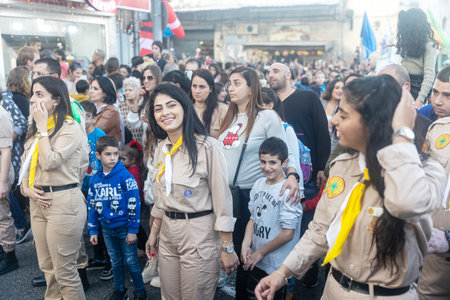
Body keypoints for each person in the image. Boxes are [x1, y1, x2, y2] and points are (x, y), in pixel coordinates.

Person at [254, 75, 446, 300]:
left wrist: (402, 132)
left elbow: (405, 202)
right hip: (333, 290)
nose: (333, 121)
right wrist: (283, 272)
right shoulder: (342, 166)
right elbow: (320, 231)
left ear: (372, 122)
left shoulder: (425, 171)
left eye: (343, 115)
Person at [145, 83, 239, 299]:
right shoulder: (162, 147)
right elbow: (161, 197)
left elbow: (223, 201)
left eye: (171, 105)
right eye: (158, 109)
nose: (165, 112)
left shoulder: (208, 147)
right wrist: (154, 231)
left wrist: (227, 247)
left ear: (184, 107)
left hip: (199, 234)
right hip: (168, 233)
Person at [217, 67, 300, 299]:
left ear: (252, 87)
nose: (230, 88)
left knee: (248, 249)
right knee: (231, 245)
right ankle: (236, 284)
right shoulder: (230, 116)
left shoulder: (266, 116)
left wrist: (293, 176)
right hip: (227, 193)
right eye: (229, 84)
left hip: (251, 196)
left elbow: (287, 152)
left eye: (236, 83)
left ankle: (249, 291)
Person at [20, 76, 88, 299]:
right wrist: (25, 188)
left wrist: (41, 127)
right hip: (37, 201)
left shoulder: (70, 128)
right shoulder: (37, 127)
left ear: (57, 100)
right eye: (32, 94)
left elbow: (49, 162)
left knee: (65, 272)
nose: (32, 100)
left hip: (62, 202)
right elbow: (26, 163)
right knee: (48, 270)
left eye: (40, 95)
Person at [268, 62, 330, 287]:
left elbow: (322, 131)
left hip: (307, 177)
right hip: (275, 178)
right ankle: (283, 275)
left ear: (288, 74)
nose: (270, 75)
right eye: (268, 72)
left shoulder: (308, 98)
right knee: (281, 228)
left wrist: (322, 166)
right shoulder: (268, 103)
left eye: (275, 71)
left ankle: (309, 271)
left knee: (305, 228)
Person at [241, 137, 302, 300]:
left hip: (276, 267)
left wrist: (260, 252)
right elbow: (252, 219)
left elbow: (288, 233)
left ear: (284, 163)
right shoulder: (258, 184)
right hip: (257, 261)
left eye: (273, 163)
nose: (267, 167)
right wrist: (246, 244)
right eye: (263, 162)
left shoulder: (288, 191)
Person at [88, 136, 146, 300]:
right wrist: (93, 229)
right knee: (115, 261)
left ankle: (140, 292)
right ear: (98, 155)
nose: (113, 158)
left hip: (125, 228)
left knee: (131, 262)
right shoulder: (94, 179)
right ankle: (119, 291)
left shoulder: (126, 177)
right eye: (108, 154)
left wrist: (133, 230)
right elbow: (92, 206)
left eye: (115, 154)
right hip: (106, 229)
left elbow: (134, 204)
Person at [416, 66, 450, 300]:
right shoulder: (436, 129)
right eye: (435, 92)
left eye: (447, 96)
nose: (438, 101)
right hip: (434, 249)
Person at [397, 8, 438, 108]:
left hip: (417, 88)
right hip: (404, 85)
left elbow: (429, 75)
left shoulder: (429, 45)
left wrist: (420, 98)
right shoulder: (408, 44)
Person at [0, 104, 18, 276]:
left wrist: (2, 181)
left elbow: (6, 151)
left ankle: (9, 256)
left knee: (2, 216)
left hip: (1, 172)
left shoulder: (1, 114)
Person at [190, 69, 228, 137]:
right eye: (194, 86)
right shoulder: (185, 109)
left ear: (210, 88)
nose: (197, 91)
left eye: (202, 87)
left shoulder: (222, 110)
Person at [90, 77, 122, 146]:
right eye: (91, 87)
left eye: (95, 89)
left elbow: (95, 132)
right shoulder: (93, 107)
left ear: (105, 93)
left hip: (107, 151)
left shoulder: (111, 110)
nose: (91, 91)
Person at [122, 77, 144, 143]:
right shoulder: (120, 107)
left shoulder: (141, 106)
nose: (127, 92)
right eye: (126, 90)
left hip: (140, 141)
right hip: (126, 144)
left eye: (130, 90)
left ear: (137, 91)